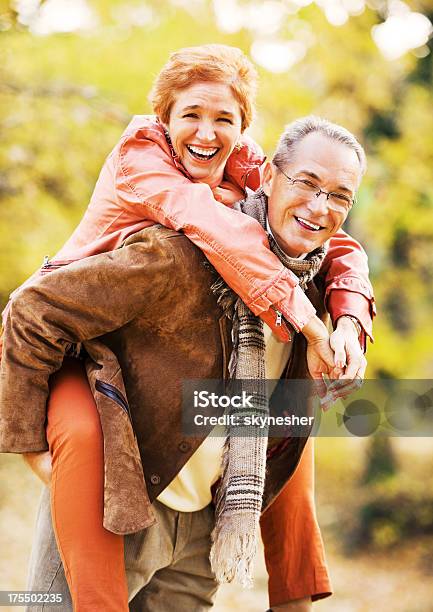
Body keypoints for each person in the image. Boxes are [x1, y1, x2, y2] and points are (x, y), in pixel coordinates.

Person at [1, 116, 370, 611]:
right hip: (119, 497)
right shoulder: (179, 254)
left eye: (339, 196)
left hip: (201, 527)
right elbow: (32, 312)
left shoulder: (320, 285)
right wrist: (28, 445)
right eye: (306, 183)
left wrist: (351, 321)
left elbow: (348, 261)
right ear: (266, 175)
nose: (319, 206)